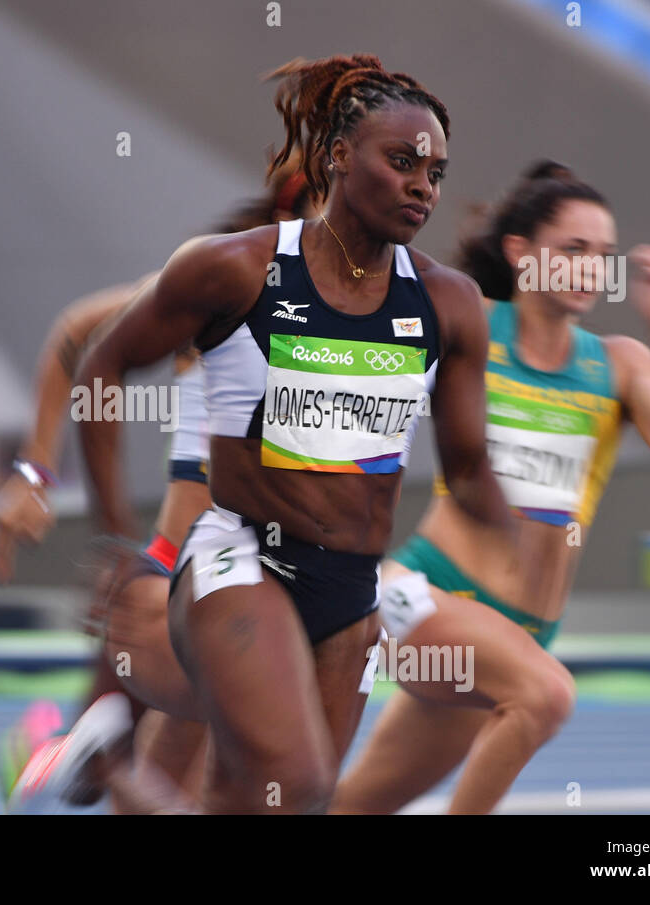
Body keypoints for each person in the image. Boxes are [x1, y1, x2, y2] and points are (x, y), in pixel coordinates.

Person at [63, 52, 513, 814]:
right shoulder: (233, 270)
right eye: (402, 161)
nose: (421, 187)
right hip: (243, 559)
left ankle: (108, 761)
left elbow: (466, 464)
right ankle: (110, 760)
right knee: (299, 776)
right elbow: (100, 366)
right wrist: (117, 541)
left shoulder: (450, 304)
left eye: (434, 173)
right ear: (338, 156)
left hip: (352, 587)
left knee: (278, 804)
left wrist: (512, 531)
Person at [335, 161, 650, 814]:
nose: (592, 268)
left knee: (352, 807)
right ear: (521, 253)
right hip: (425, 595)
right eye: (574, 249)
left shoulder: (620, 364)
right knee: (547, 695)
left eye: (603, 255)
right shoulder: (472, 322)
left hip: (521, 633)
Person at [0, 165, 320, 811]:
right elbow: (75, 340)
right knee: (146, 771)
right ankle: (54, 754)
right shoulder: (222, 281)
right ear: (296, 211)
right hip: (178, 584)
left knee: (164, 778)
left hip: (261, 588)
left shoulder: (364, 310)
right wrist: (36, 472)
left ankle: (60, 753)